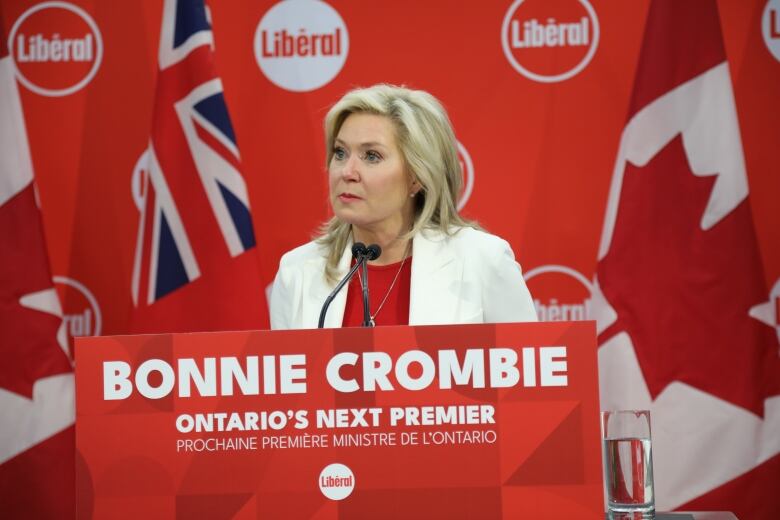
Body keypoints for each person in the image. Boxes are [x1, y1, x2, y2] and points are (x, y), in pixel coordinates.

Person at [270, 84, 536, 330]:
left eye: (371, 156)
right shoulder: (297, 270)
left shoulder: (483, 260)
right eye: (340, 153)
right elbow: (286, 379)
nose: (346, 171)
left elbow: (527, 375)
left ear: (416, 177)